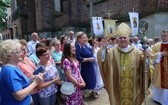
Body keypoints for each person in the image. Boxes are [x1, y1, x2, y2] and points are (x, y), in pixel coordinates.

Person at [97, 22, 145, 105]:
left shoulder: (137, 52)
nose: (122, 39)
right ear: (117, 39)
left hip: (133, 85)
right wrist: (104, 48)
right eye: (120, 38)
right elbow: (104, 63)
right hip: (117, 85)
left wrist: (147, 59)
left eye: (124, 37)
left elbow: (144, 67)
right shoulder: (112, 52)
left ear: (128, 38)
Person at [0, 39, 43, 105]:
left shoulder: (12, 67)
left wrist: (31, 79)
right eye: (18, 52)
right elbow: (19, 96)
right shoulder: (9, 71)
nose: (21, 53)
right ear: (9, 56)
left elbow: (19, 84)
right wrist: (35, 82)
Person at [18, 39, 40, 105]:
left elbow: (35, 69)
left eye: (25, 49)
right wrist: (33, 78)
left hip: (37, 87)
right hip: (30, 91)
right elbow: (22, 80)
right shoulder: (18, 64)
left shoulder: (27, 58)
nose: (25, 51)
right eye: (22, 49)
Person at [75, 31, 97, 97]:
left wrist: (93, 45)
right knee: (83, 80)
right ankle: (82, 97)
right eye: (84, 38)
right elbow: (79, 58)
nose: (86, 39)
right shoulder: (77, 46)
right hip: (83, 67)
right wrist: (89, 59)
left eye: (86, 38)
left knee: (91, 79)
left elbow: (91, 53)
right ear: (79, 39)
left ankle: (92, 91)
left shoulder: (86, 45)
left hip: (89, 66)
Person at [150, 30, 168, 105]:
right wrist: (160, 54)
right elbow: (151, 54)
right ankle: (158, 99)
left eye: (165, 35)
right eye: (162, 35)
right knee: (159, 82)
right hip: (159, 68)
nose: (163, 37)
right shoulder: (157, 45)